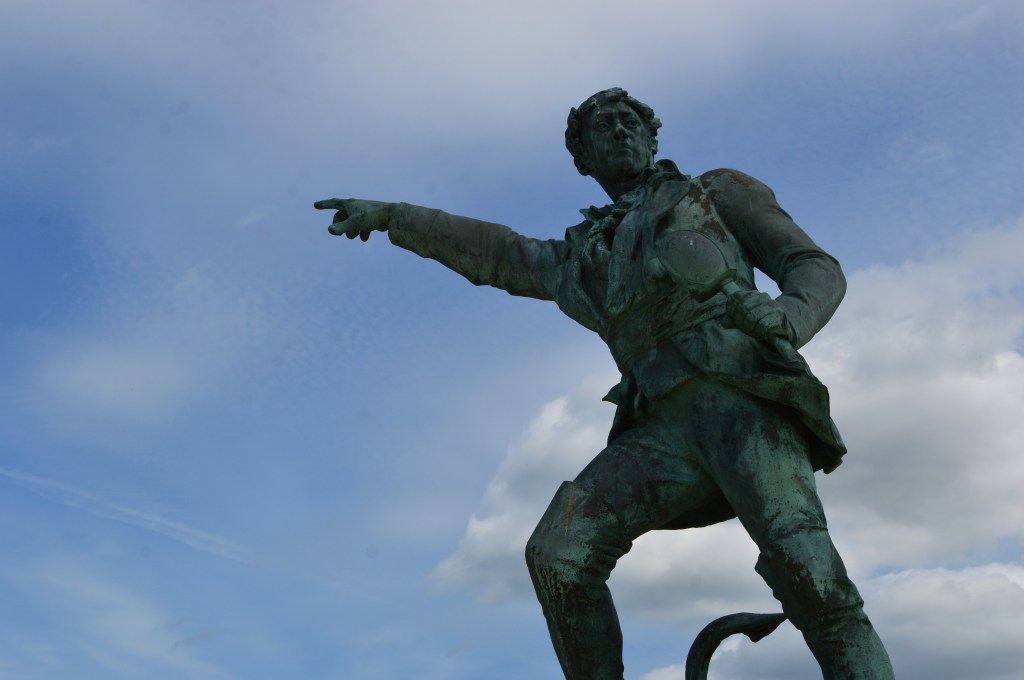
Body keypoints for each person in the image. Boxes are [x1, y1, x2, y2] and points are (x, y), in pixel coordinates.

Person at [315, 88, 895, 679]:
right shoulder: (579, 256)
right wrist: (394, 217)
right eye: (603, 126)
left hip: (740, 398)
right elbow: (498, 252)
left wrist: (789, 314)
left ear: (651, 137)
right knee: (559, 553)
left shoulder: (714, 192)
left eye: (629, 121)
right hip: (657, 428)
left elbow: (812, 264)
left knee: (810, 575)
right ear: (583, 158)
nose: (620, 130)